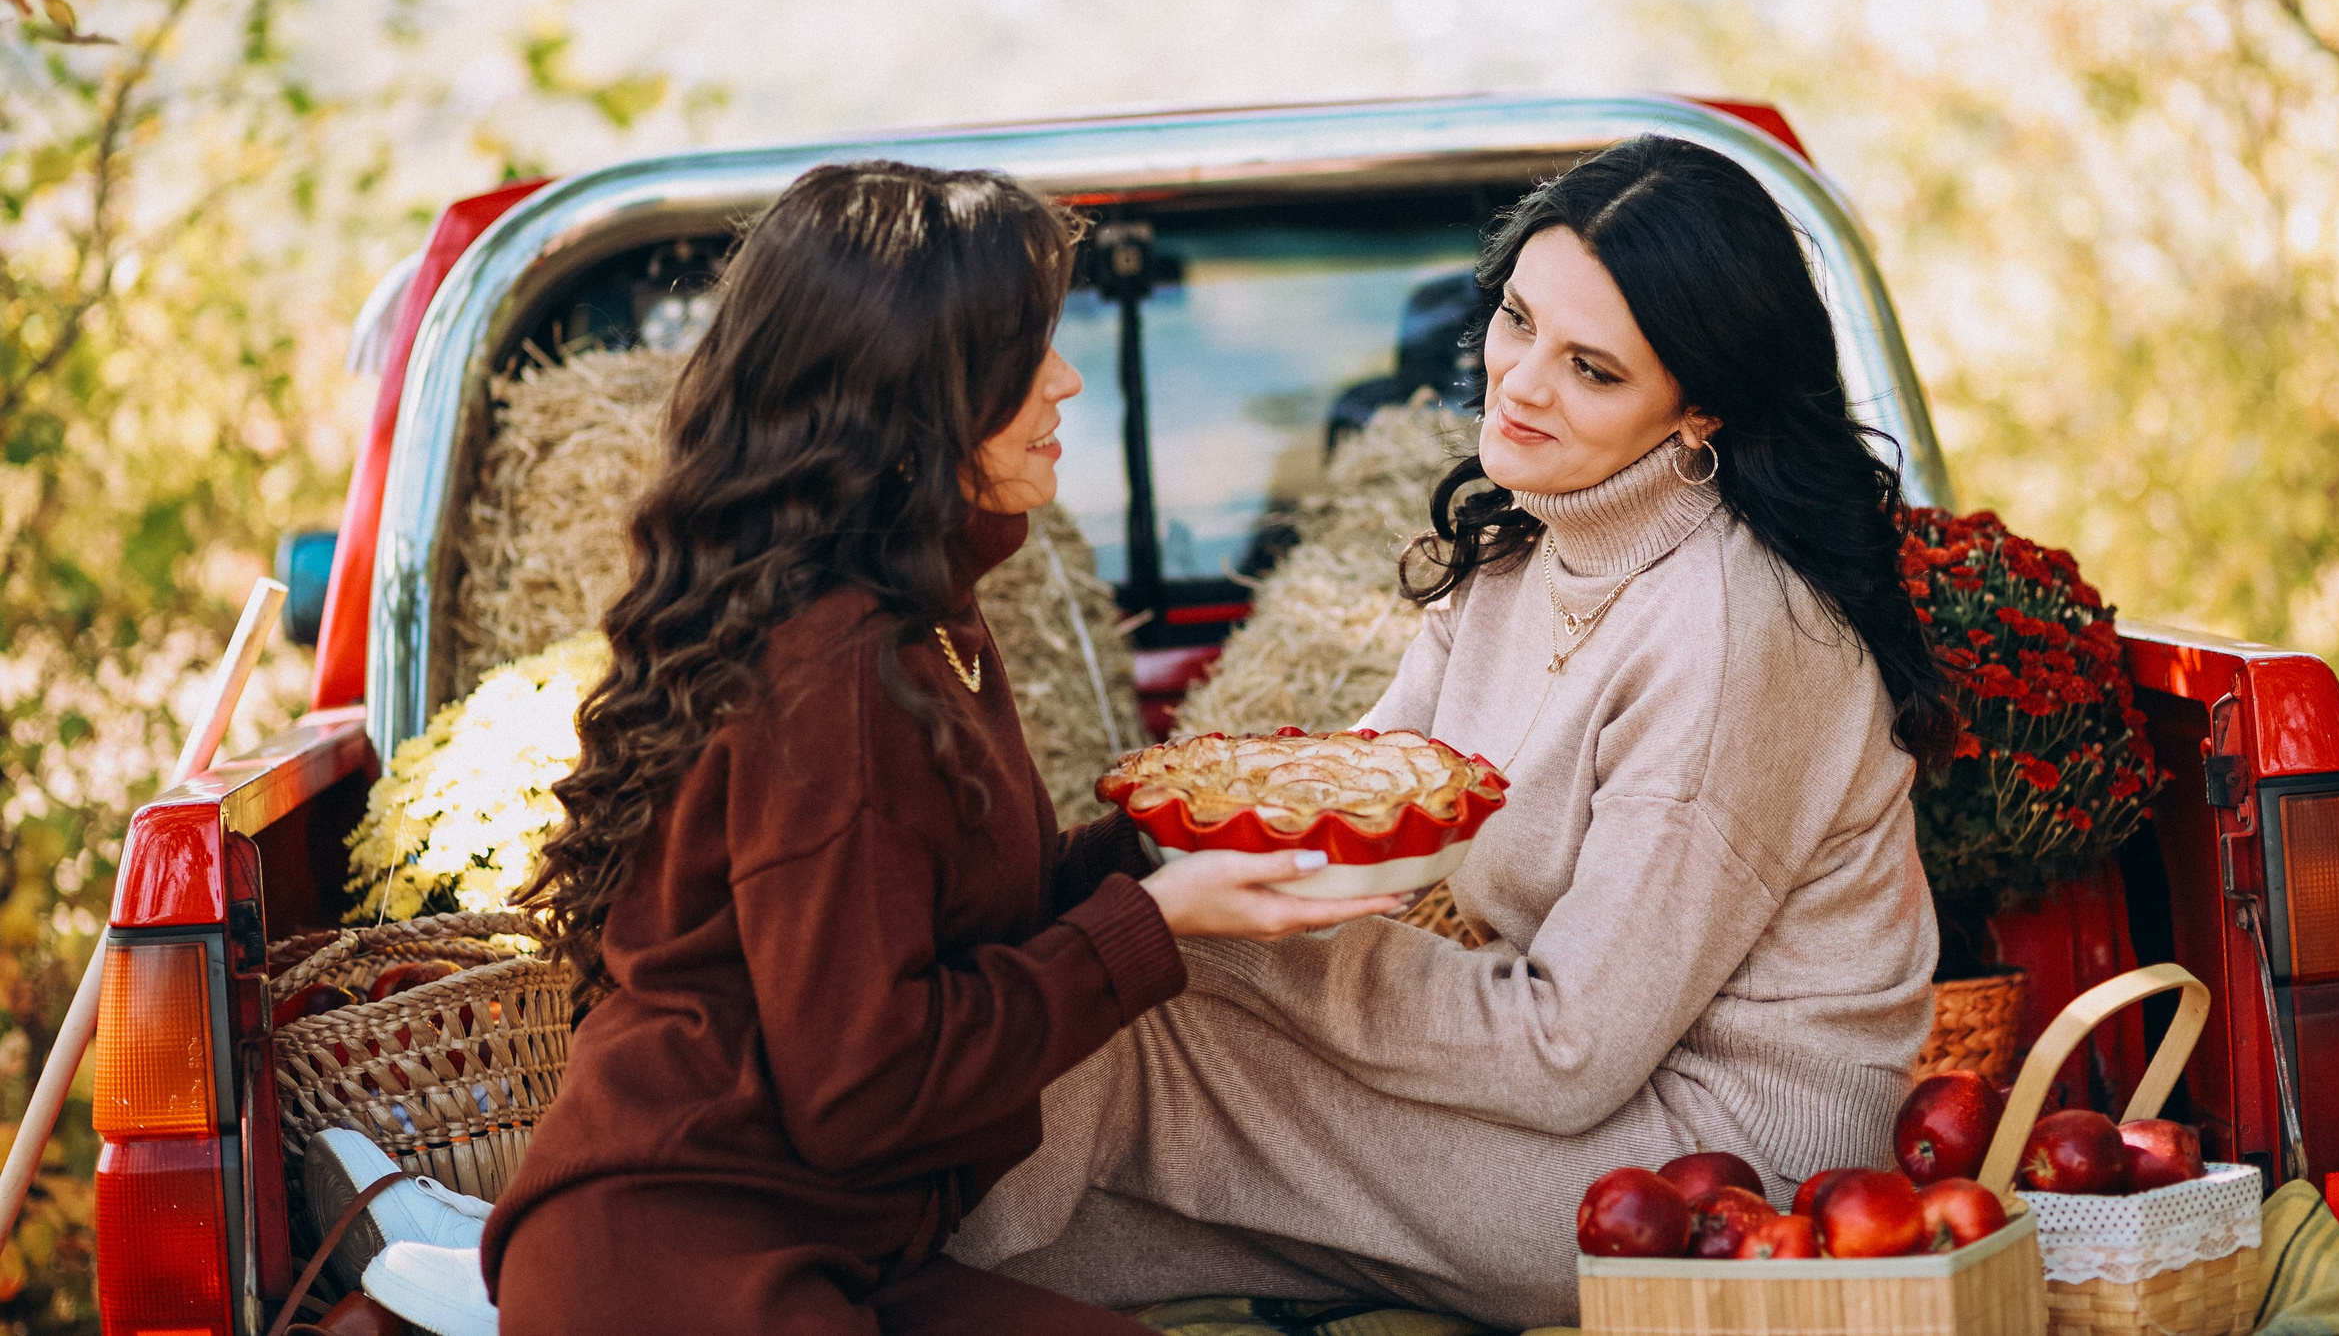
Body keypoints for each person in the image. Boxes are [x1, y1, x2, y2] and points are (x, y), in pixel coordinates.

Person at [952, 135, 1957, 1331]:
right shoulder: (1524, 551)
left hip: (1708, 1181)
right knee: (1109, 1016)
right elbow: (1342, 814)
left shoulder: (1732, 633)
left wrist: (1217, 942)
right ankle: (887, 1279)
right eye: (1518, 320)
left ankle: (864, 1286)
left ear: (1700, 409)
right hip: (1569, 1103)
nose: (1519, 383)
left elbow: (1567, 1049)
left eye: (1591, 369)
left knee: (1138, 1024)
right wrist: (1165, 884)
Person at [478, 162, 1404, 1335]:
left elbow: (946, 919)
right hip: (678, 1271)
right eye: (1026, 353)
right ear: (911, 396)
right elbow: (862, 1088)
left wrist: (1177, 836)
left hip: (819, 1244)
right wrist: (1154, 924)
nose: (1066, 380)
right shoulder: (836, 675)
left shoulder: (920, 620)